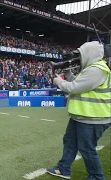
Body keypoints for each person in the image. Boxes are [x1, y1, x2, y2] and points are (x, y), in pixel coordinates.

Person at [47, 41, 111, 180]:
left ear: (90, 54)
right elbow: (79, 83)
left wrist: (59, 82)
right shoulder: (91, 68)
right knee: (69, 142)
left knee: (87, 149)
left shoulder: (97, 69)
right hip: (82, 116)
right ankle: (63, 169)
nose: (79, 59)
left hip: (93, 117)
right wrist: (68, 73)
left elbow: (74, 88)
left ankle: (97, 177)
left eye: (81, 55)